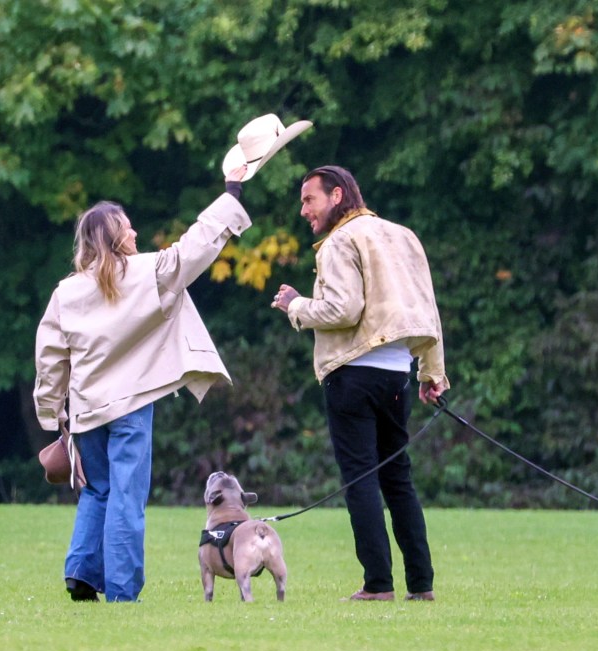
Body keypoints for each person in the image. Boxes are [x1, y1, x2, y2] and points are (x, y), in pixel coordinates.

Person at [34, 164, 250, 602]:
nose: (135, 235)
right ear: (115, 239)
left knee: (97, 491)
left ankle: (80, 573)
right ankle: (121, 591)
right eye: (129, 230)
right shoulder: (145, 272)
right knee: (126, 500)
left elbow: (50, 358)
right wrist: (231, 193)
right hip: (131, 407)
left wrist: (52, 411)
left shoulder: (66, 292)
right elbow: (195, 248)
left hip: (86, 411)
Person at [271, 165, 450, 602]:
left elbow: (342, 311)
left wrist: (296, 305)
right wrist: (432, 372)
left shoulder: (339, 241)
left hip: (351, 372)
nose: (303, 211)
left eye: (308, 199)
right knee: (397, 480)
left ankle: (378, 585)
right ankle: (421, 585)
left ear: (336, 196)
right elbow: (426, 311)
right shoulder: (402, 235)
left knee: (361, 479)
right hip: (396, 374)